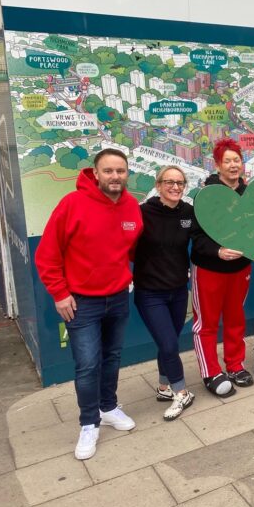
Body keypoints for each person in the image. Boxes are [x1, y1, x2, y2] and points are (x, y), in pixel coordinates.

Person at [35, 148, 143, 460]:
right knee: (87, 365)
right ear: (95, 173)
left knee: (111, 357)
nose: (115, 177)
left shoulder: (131, 207)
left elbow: (132, 247)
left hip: (118, 297)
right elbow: (48, 254)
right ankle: (88, 422)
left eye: (120, 171)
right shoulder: (72, 204)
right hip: (81, 303)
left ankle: (108, 407)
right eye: (108, 171)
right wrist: (59, 293)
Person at [191, 139, 254, 398]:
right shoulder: (205, 194)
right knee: (207, 323)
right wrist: (217, 251)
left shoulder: (249, 194)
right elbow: (197, 237)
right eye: (228, 161)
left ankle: (235, 365)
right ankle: (211, 371)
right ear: (217, 165)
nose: (233, 165)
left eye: (237, 160)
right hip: (209, 269)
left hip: (241, 269)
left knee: (235, 319)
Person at [133, 166, 196, 420]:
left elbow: (204, 240)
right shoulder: (142, 212)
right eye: (169, 182)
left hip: (179, 290)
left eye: (180, 183)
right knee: (169, 343)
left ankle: (163, 387)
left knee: (167, 340)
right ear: (158, 185)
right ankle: (182, 393)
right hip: (150, 293)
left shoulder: (189, 212)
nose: (175, 187)